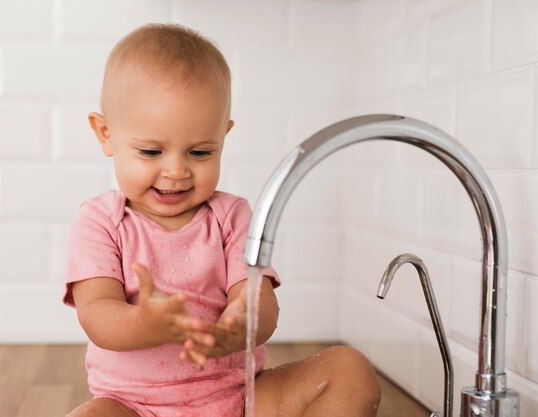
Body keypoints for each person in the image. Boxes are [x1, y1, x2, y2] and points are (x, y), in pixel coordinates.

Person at [63, 23, 380, 417]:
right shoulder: (100, 221)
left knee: (348, 370)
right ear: (106, 134)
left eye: (199, 153)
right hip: (134, 407)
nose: (176, 171)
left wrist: (240, 326)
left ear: (223, 137)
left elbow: (261, 301)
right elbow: (96, 315)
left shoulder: (232, 216)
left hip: (239, 401)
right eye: (150, 152)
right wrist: (147, 322)